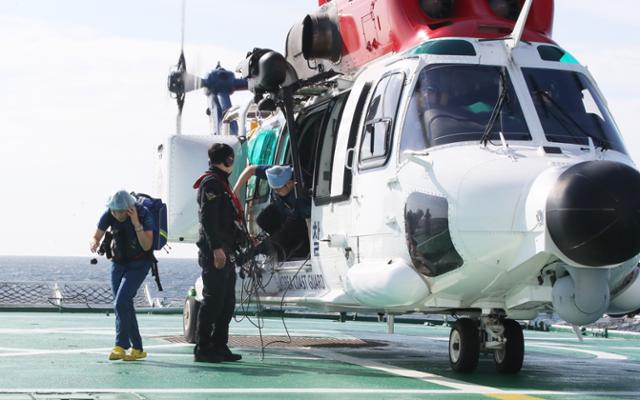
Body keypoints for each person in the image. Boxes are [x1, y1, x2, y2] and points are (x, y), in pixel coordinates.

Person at [192, 143, 244, 363]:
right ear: (229, 161)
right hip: (216, 252)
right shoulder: (212, 183)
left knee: (227, 301)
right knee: (213, 300)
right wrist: (216, 248)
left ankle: (220, 345)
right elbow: (208, 219)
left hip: (226, 249)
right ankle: (203, 347)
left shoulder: (222, 183)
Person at [89, 190, 154, 361]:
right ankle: (138, 349)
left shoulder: (143, 214)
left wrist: (136, 223)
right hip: (118, 263)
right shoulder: (110, 213)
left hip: (140, 263)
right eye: (114, 211)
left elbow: (147, 246)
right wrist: (94, 242)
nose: (117, 214)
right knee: (123, 304)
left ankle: (120, 345)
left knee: (121, 302)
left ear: (129, 208)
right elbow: (96, 235)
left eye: (120, 211)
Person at [234, 164, 310, 260]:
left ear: (290, 183)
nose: (276, 192)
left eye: (278, 190)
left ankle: (284, 249)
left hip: (300, 219)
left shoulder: (301, 194)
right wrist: (235, 191)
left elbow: (306, 221)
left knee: (283, 235)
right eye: (273, 189)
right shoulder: (277, 173)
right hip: (283, 211)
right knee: (263, 219)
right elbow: (250, 170)